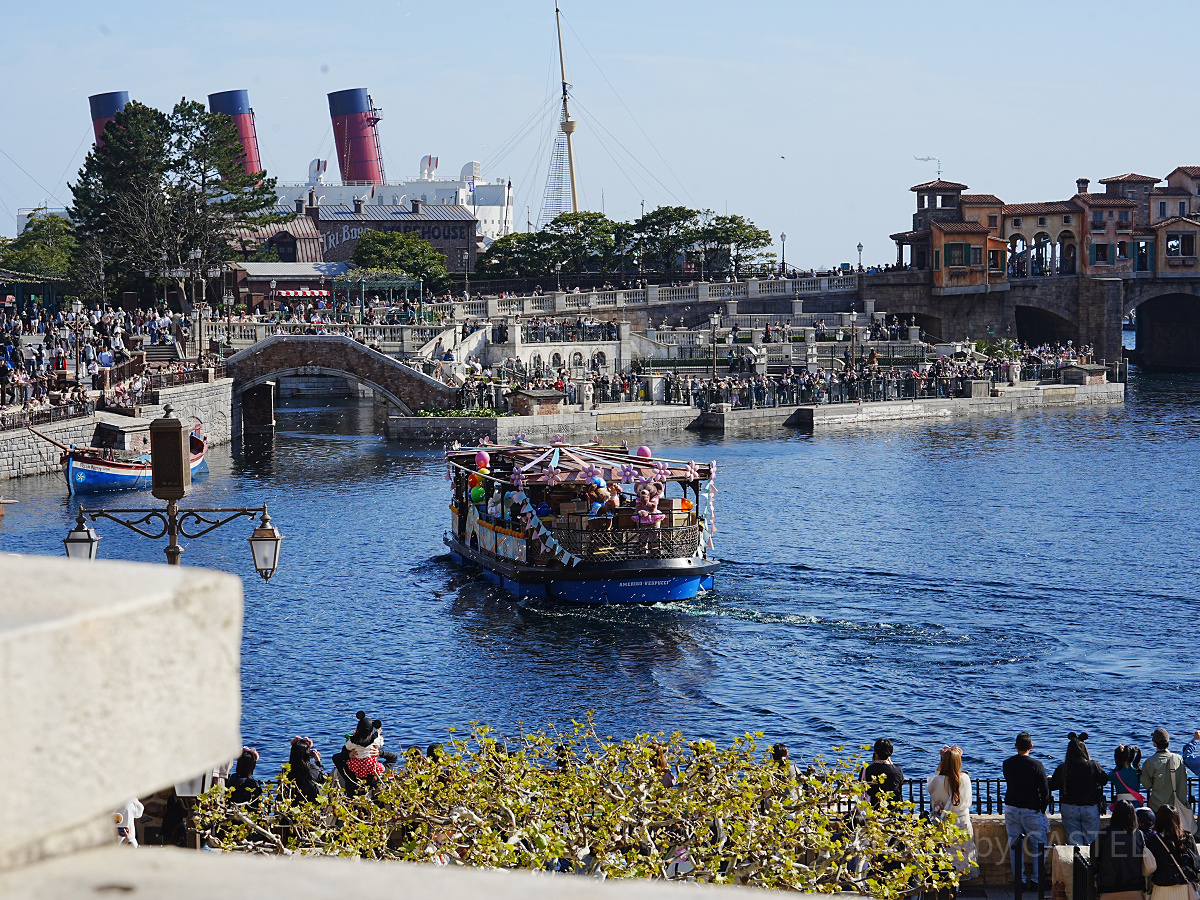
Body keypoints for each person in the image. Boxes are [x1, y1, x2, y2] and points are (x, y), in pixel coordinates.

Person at [1003, 732, 1050, 889]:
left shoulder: (1007, 764)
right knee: (1039, 846)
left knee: (1015, 847)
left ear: (1016, 746)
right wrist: (1041, 810)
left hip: (1011, 809)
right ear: (1031, 746)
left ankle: (1020, 881)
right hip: (1031, 810)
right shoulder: (1037, 765)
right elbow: (1045, 791)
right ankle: (1037, 881)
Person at [927, 744, 978, 879]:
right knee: (962, 854)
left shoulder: (938, 780)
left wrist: (940, 766)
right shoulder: (965, 778)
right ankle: (958, 880)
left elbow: (930, 790)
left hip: (944, 822)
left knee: (945, 854)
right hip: (962, 820)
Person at [1049, 732, 1109, 846]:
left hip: (1069, 807)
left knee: (1074, 844)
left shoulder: (1063, 768)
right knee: (1091, 844)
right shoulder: (1093, 765)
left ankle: (1077, 857)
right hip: (1090, 807)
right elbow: (1104, 780)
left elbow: (1052, 785)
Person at [1143, 805, 1200, 900]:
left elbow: (1150, 865)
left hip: (1161, 886)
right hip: (1184, 887)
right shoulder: (1187, 837)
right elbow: (1196, 863)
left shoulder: (1155, 840)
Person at [1092, 800, 1146, 900]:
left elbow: (1094, 858)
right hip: (1135, 888)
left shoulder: (1104, 834)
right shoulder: (1139, 835)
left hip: (1108, 887)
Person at [1141, 729, 1191, 832]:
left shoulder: (1150, 762)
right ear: (1168, 743)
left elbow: (1147, 785)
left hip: (1158, 807)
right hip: (1177, 808)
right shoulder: (1178, 759)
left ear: (1154, 743)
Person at [862, 738, 903, 805]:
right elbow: (900, 783)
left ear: (876, 753)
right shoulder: (898, 770)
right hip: (893, 806)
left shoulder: (868, 770)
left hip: (873, 805)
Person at [285, 736, 326, 803]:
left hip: (291, 804)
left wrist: (297, 746)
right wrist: (318, 762)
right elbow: (323, 777)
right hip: (311, 805)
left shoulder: (286, 770)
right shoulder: (313, 770)